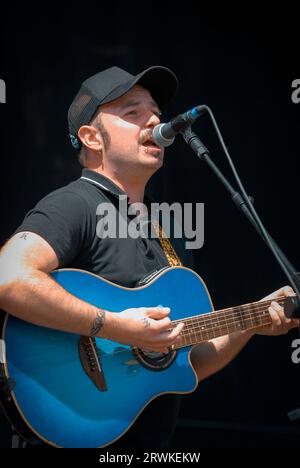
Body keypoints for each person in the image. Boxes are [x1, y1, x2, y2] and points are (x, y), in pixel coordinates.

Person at [0, 65, 299, 449]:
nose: (155, 120)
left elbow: (182, 361)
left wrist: (252, 321)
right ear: (91, 137)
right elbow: (9, 277)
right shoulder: (73, 205)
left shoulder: (168, 231)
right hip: (71, 433)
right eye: (132, 112)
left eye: (155, 111)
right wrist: (115, 326)